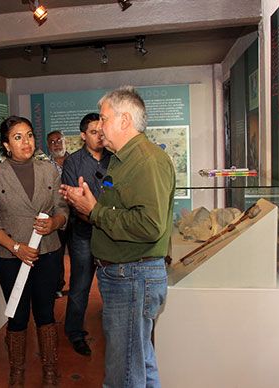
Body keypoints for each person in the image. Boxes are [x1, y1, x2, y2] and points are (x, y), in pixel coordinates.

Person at [60, 86, 175, 388]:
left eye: (104, 118)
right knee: (139, 359)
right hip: (125, 274)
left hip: (132, 275)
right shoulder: (121, 160)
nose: (99, 126)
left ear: (124, 120)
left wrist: (94, 211)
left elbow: (150, 224)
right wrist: (89, 205)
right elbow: (117, 209)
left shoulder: (147, 161)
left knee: (123, 373)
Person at [0, 116, 69, 387]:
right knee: (17, 317)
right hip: (11, 258)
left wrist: (54, 223)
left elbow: (62, 209)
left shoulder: (48, 171)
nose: (26, 142)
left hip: (48, 254)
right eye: (18, 137)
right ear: (7, 145)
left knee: (46, 314)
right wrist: (16, 247)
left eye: (29, 135)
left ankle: (50, 371)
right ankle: (16, 372)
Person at [61, 113, 112, 356]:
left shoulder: (115, 159)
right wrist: (96, 215)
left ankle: (114, 331)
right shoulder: (73, 163)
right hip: (84, 234)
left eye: (102, 131)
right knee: (81, 285)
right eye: (93, 132)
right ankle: (75, 332)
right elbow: (73, 201)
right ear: (83, 136)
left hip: (113, 233)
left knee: (112, 285)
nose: (100, 136)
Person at [46, 130, 70, 298]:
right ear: (48, 145)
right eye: (52, 142)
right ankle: (57, 286)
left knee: (80, 256)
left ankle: (78, 287)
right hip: (56, 216)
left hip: (77, 215)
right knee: (56, 254)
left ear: (65, 141)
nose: (56, 144)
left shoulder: (75, 161)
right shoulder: (44, 166)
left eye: (59, 140)